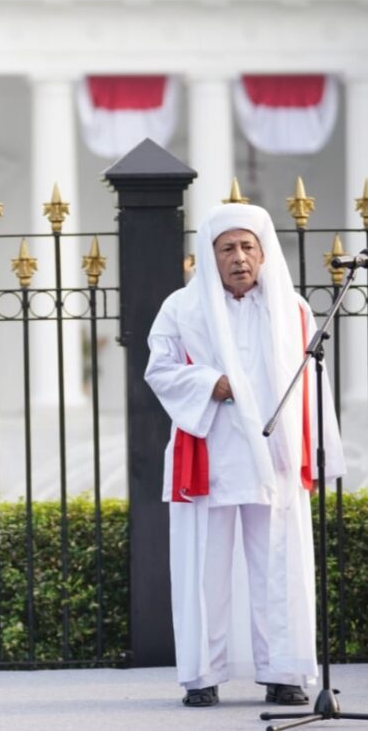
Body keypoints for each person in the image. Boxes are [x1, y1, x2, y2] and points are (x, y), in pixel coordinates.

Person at [145, 202, 345, 709]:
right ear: (210, 256)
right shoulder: (181, 308)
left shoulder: (293, 308)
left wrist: (320, 451)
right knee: (204, 569)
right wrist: (213, 383)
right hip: (209, 451)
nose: (239, 258)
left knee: (279, 563)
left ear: (263, 252)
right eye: (228, 248)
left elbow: (311, 382)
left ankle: (283, 673)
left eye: (247, 247)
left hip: (274, 455)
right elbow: (160, 369)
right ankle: (202, 677)